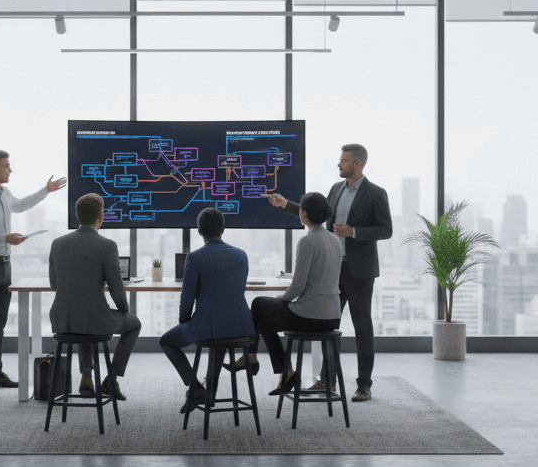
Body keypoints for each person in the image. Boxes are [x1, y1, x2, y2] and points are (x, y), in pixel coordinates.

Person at [265, 143, 391, 402]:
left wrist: (354, 232)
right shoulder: (335, 190)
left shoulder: (376, 193)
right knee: (328, 323)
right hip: (333, 268)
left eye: (344, 160)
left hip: (359, 272)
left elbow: (386, 230)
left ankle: (364, 385)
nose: (339, 164)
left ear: (357, 164)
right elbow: (316, 213)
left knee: (362, 326)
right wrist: (286, 204)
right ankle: (326, 379)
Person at [0, 149, 68, 396]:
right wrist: (4, 237)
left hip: (5, 264)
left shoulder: (4, 193)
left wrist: (46, 190)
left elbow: (21, 205)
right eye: (6, 166)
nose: (10, 170)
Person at [157, 208, 256, 414]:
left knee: (166, 341)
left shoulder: (195, 257)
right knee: (220, 332)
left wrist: (185, 321)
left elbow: (187, 300)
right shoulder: (241, 255)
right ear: (223, 229)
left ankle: (195, 388)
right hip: (243, 327)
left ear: (199, 231)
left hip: (211, 326)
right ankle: (209, 390)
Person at [47, 193, 141, 400]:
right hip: (95, 321)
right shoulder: (107, 246)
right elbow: (117, 290)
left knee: (84, 316)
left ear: (77, 215)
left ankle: (87, 378)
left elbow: (55, 284)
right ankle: (111, 379)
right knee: (133, 323)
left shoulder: (57, 243)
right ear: (101, 217)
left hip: (62, 320)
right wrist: (124, 310)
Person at [250, 192, 343, 395]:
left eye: (301, 208)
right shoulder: (335, 240)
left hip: (309, 316)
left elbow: (298, 285)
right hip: (333, 317)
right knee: (263, 323)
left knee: (258, 304)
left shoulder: (307, 242)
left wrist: (283, 298)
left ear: (304, 214)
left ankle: (253, 358)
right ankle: (285, 374)